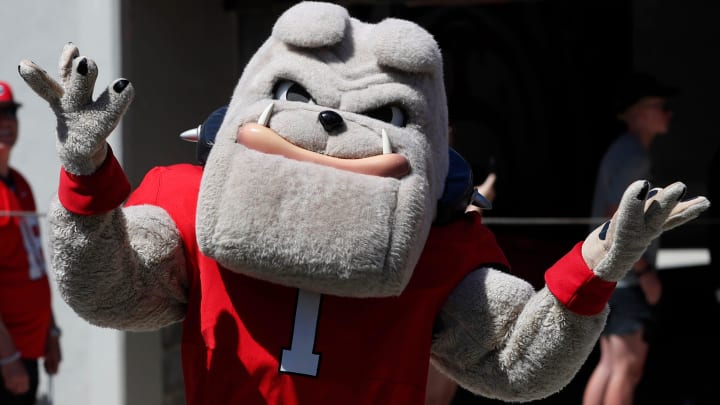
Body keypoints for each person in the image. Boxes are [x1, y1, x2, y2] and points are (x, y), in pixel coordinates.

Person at [582, 72, 678, 405]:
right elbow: (617, 216)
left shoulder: (623, 151)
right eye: (662, 106)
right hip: (625, 279)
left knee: (612, 364)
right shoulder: (633, 154)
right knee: (626, 365)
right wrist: (644, 271)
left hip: (610, 276)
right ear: (638, 112)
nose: (669, 113)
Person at [0, 81, 62, 404]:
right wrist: (8, 360)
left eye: (10, 113)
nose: (6, 122)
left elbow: (34, 264)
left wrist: (51, 331)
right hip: (6, 361)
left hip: (29, 351)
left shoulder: (20, 182)